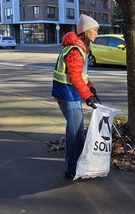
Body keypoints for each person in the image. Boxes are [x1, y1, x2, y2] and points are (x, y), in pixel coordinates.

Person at [52, 14, 99, 179]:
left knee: (77, 132)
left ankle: (77, 164)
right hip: (67, 95)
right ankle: (71, 169)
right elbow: (74, 76)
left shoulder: (80, 48)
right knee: (74, 133)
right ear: (85, 31)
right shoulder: (75, 50)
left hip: (71, 94)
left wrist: (91, 89)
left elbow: (82, 75)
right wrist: (87, 96)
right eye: (94, 29)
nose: (96, 33)